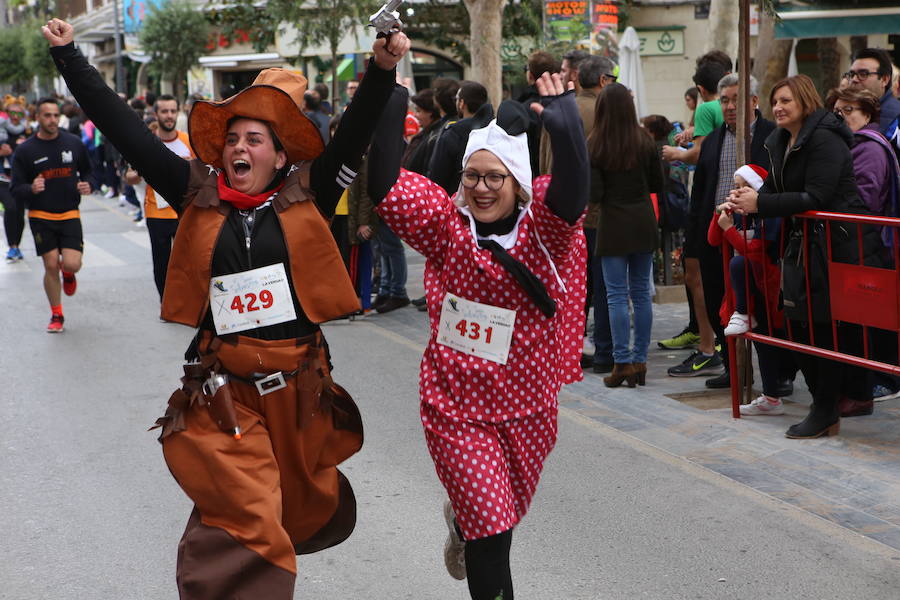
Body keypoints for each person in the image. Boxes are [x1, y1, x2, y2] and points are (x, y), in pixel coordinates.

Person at [43, 17, 409, 597]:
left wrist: (382, 69)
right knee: (249, 517)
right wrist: (69, 57)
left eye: (254, 139)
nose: (240, 147)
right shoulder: (195, 191)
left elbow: (358, 129)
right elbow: (124, 129)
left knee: (278, 511)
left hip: (298, 388)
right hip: (225, 391)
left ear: (279, 153)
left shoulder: (311, 191)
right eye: (233, 139)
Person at [371, 72, 587, 600]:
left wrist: (564, 119)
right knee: (492, 532)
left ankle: (462, 525)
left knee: (500, 524)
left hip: (528, 407)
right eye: (472, 177)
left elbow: (575, 188)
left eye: (495, 177)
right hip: (456, 407)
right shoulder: (446, 225)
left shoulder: (544, 234)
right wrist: (390, 95)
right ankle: (473, 528)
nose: (482, 188)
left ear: (517, 182)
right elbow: (381, 184)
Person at [730, 74, 877, 439]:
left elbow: (817, 197)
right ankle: (822, 405)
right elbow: (781, 190)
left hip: (837, 246)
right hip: (802, 246)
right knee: (798, 326)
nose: (778, 108)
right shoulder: (779, 140)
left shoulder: (825, 138)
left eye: (786, 101)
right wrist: (747, 200)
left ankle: (826, 408)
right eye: (775, 100)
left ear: (805, 103)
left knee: (821, 329)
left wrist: (760, 203)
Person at [826, 86, 900, 411]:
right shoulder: (849, 145)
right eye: (837, 111)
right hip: (857, 245)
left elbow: (865, 201)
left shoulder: (868, 148)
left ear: (866, 114)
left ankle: (862, 393)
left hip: (869, 246)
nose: (841, 117)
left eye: (848, 111)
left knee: (862, 325)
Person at [588, 83, 663, 387]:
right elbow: (658, 183)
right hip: (643, 219)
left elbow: (595, 193)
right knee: (641, 294)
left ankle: (621, 363)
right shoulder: (645, 140)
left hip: (614, 223)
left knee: (617, 295)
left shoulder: (595, 143)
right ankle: (640, 360)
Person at [10, 96, 93, 332]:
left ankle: (68, 273)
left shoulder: (74, 143)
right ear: (37, 118)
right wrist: (31, 188)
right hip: (40, 215)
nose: (53, 120)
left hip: (69, 214)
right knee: (49, 265)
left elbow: (89, 172)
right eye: (47, 115)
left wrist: (89, 185)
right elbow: (15, 188)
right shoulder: (26, 150)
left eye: (56, 115)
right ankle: (57, 315)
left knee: (72, 263)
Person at [576, 54, 618, 375]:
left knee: (574, 285)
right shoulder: (607, 113)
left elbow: (547, 161)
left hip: (565, 211)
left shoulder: (561, 109)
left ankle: (571, 346)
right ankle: (604, 350)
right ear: (603, 81)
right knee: (604, 285)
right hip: (599, 213)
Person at [144, 94, 194, 300]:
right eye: (164, 111)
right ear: (156, 114)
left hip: (185, 211)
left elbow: (205, 170)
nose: (169, 115)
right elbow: (128, 177)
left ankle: (188, 301)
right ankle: (167, 303)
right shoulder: (147, 143)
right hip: (157, 212)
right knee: (162, 261)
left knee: (189, 260)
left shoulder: (188, 141)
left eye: (173, 111)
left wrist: (191, 163)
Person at [427, 80, 494, 194]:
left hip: (455, 202)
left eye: (456, 99)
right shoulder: (497, 130)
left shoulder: (452, 133)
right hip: (491, 194)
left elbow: (437, 177)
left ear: (461, 103)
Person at [1, 97, 31, 262]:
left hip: (20, 179)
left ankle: (16, 246)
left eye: (19, 113)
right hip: (3, 179)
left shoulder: (28, 132)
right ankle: (12, 246)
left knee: (19, 213)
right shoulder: (1, 131)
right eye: (12, 112)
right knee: (11, 209)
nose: (15, 116)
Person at [846, 48, 900, 135]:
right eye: (851, 74)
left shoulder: (895, 120)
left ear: (884, 80)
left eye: (863, 74)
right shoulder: (842, 110)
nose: (854, 79)